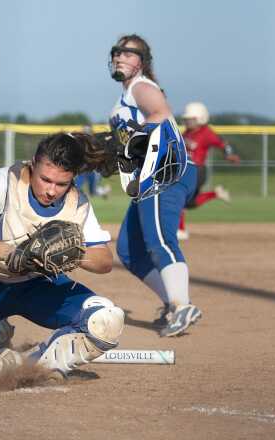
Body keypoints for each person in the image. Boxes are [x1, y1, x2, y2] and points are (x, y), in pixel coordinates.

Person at [0, 132, 125, 380]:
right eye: (45, 179)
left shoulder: (77, 202)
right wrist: (14, 252)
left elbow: (104, 261)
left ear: (73, 179)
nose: (52, 190)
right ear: (33, 163)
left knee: (105, 321)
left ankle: (30, 364)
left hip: (40, 286)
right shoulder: (5, 180)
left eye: (61, 184)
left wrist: (75, 253)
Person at [108, 34, 202, 337]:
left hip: (166, 171)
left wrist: (133, 138)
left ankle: (183, 305)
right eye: (117, 52)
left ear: (142, 62)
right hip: (150, 176)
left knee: (160, 241)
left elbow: (160, 114)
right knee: (129, 250)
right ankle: (172, 303)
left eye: (129, 53)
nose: (120, 57)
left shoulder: (142, 86)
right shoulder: (126, 95)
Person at [178, 102, 241, 240]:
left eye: (191, 119)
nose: (187, 121)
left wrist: (229, 154)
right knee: (191, 203)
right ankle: (215, 193)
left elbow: (223, 143)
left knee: (179, 197)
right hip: (185, 170)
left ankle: (181, 230)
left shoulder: (206, 132)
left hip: (197, 170)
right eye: (187, 119)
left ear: (201, 118)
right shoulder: (186, 133)